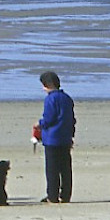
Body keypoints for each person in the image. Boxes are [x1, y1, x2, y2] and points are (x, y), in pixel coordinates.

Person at [36, 70, 76, 203]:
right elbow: (71, 119)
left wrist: (39, 124)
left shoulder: (50, 99)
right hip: (65, 138)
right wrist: (71, 135)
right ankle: (65, 195)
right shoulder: (67, 98)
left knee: (52, 170)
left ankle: (52, 196)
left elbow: (49, 118)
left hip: (52, 139)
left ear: (49, 84)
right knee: (65, 169)